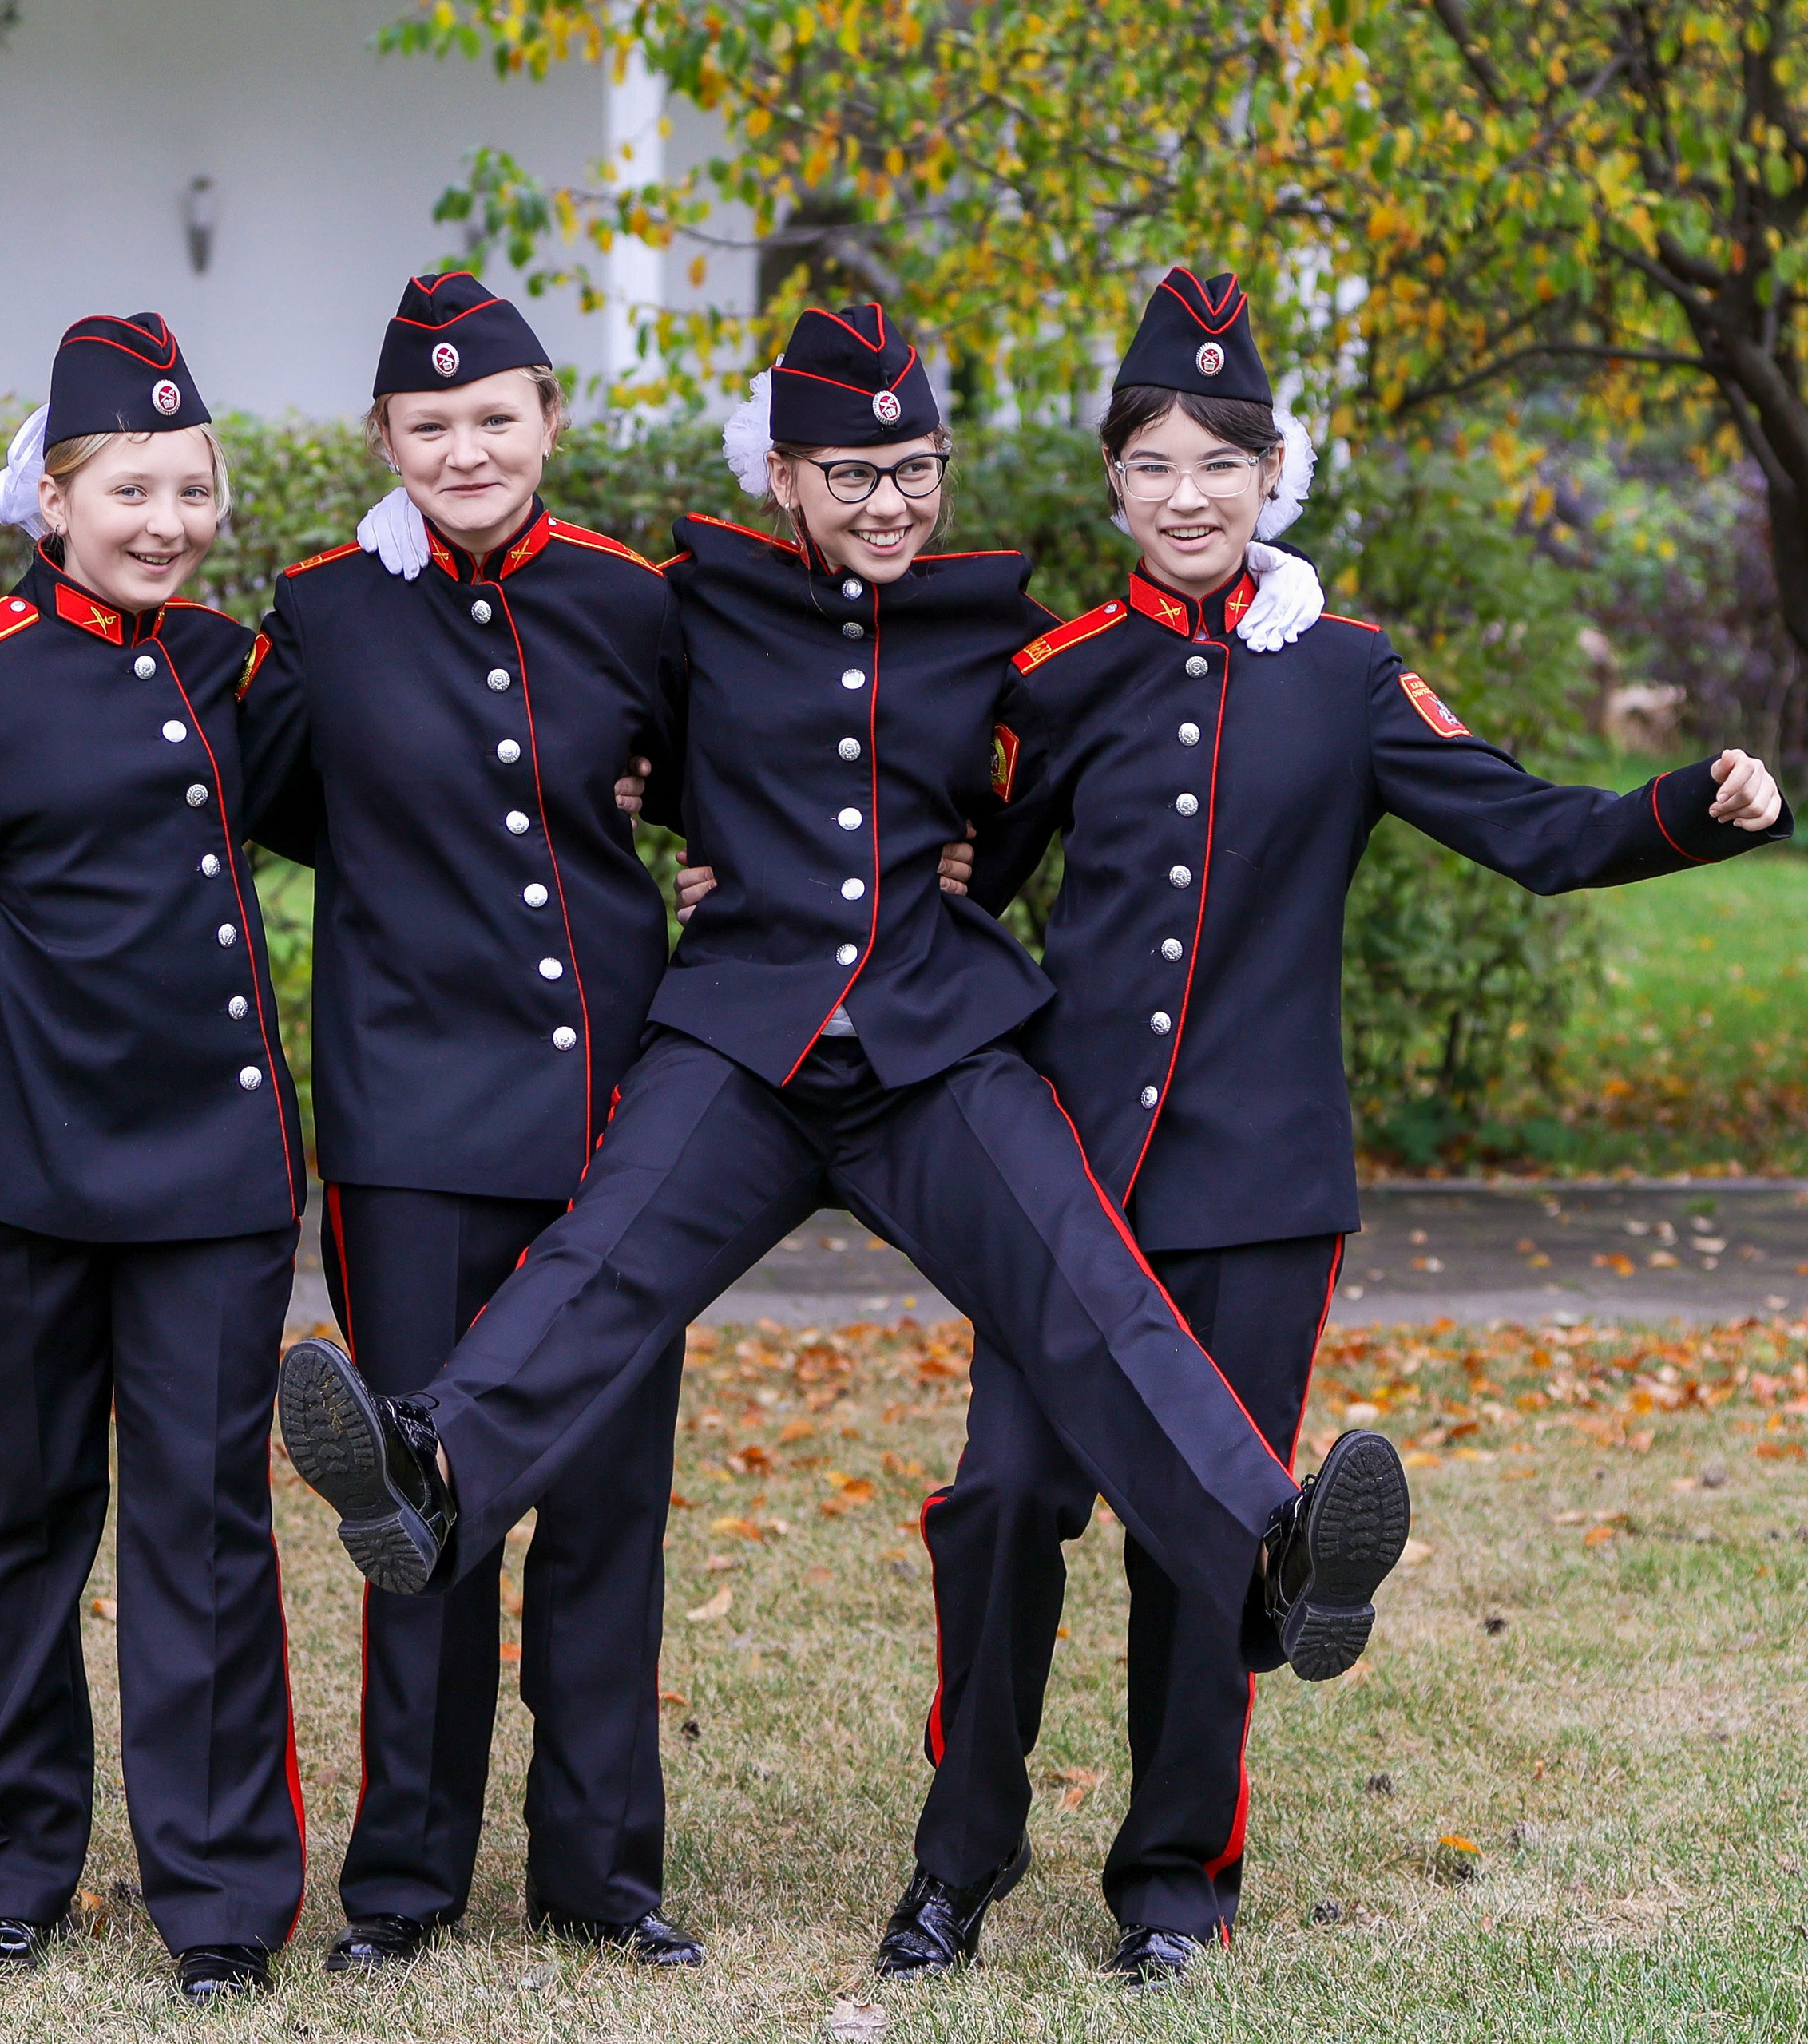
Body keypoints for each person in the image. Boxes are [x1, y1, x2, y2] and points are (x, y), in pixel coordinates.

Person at [275, 302, 1416, 1969]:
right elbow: (554, 717)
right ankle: (428, 1464)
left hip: (940, 1036)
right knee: (600, 1256)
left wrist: (1285, 604)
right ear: (783, 475)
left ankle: (1276, 1548)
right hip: (737, 1029)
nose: (887, 503)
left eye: (912, 470)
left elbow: (1112, 726)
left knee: (1084, 1278)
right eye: (850, 473)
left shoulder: (1009, 633)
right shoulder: (691, 602)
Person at [873, 265, 1792, 1986]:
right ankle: (958, 1856)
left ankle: (1169, 1884)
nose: (1187, 494)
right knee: (1001, 1497)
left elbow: (1528, 827)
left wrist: (1694, 807)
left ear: (1271, 469)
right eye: (1149, 462)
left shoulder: (1349, 674)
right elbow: (951, 868)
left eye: (1219, 458)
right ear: (1111, 487)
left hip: (1257, 1185)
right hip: (1069, 1186)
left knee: (1203, 1530)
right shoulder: (1057, 673)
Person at [0, 315, 307, 2001]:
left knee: (207, 1531)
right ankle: (12, 1873)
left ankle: (223, 1900)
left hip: (215, 1181)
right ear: (59, 497)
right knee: (20, 1525)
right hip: (8, 1178)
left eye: (188, 487)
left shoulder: (236, 671)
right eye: (128, 489)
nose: (162, 519)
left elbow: (411, 787)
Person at [232, 271, 704, 1971]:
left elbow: (726, 791)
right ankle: (405, 1882)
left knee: (604, 1503)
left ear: (548, 422)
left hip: (607, 1119)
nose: (465, 447)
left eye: (493, 417)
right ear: (383, 439)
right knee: (416, 1506)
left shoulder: (634, 603)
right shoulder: (318, 608)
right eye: (428, 426)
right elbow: (213, 788)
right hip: (409, 1122)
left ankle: (601, 1870)